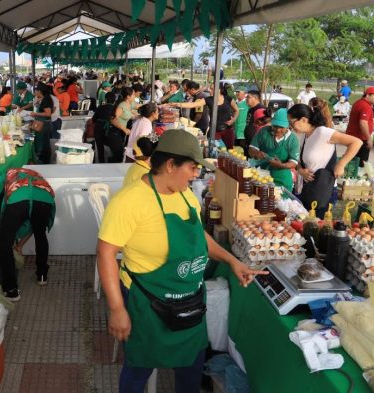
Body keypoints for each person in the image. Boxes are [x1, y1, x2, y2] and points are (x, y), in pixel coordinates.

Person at [97, 129, 265, 393]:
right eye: (192, 167)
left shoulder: (186, 194)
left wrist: (233, 261)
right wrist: (117, 308)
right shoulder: (129, 201)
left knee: (191, 366)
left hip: (190, 300)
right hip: (147, 301)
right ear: (170, 164)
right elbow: (106, 254)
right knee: (139, 367)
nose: (196, 174)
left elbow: (200, 238)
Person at [0, 168, 56, 300]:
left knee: (4, 242)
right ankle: (42, 276)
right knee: (40, 234)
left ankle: (11, 290)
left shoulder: (6, 175)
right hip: (44, 199)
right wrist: (20, 245)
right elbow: (32, 224)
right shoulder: (35, 175)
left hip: (19, 200)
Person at [288, 104, 362, 217]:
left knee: (318, 225)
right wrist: (301, 170)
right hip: (309, 189)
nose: (291, 127)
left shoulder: (323, 132)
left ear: (304, 119)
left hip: (323, 190)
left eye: (292, 122)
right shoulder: (305, 136)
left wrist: (341, 164)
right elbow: (299, 162)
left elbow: (356, 142)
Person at [248, 109, 300, 191]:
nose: (278, 130)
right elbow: (251, 149)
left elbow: (293, 162)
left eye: (281, 127)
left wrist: (281, 165)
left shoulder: (292, 139)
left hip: (282, 178)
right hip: (261, 175)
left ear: (288, 126)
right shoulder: (264, 131)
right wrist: (256, 153)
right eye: (275, 126)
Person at [172, 84, 238, 148]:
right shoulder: (208, 99)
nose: (209, 90)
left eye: (212, 89)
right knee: (215, 151)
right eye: (209, 88)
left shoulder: (228, 99)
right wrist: (176, 104)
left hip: (228, 131)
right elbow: (193, 104)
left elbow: (236, 110)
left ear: (219, 90)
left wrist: (233, 120)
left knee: (230, 152)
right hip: (214, 131)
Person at [346, 87, 374, 167]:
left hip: (355, 136)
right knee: (361, 163)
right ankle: (357, 178)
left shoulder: (358, 102)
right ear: (367, 95)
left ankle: (351, 176)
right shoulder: (365, 106)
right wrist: (369, 138)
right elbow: (363, 123)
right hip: (361, 138)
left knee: (353, 160)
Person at [107, 87, 135, 163]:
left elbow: (138, 106)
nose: (135, 96)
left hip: (120, 132)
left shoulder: (129, 104)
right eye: (133, 95)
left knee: (120, 154)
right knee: (118, 155)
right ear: (128, 96)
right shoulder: (122, 105)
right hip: (115, 132)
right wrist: (124, 129)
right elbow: (113, 119)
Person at [30, 83, 54, 164]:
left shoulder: (46, 99)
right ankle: (45, 160)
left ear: (39, 91)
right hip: (44, 124)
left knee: (43, 144)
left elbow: (48, 113)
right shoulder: (45, 98)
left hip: (44, 125)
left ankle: (43, 161)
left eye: (36, 91)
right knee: (44, 143)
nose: (35, 93)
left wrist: (36, 114)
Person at [93, 94, 116, 164]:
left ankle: (101, 163)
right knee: (113, 147)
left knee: (100, 148)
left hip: (99, 128)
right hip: (111, 129)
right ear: (114, 101)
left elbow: (93, 119)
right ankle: (111, 163)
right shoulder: (116, 108)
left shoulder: (100, 107)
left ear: (105, 100)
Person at [243, 90, 265, 157]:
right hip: (249, 141)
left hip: (257, 144)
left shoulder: (261, 110)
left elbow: (263, 127)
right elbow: (248, 123)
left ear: (255, 98)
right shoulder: (250, 109)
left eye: (248, 97)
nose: (246, 99)